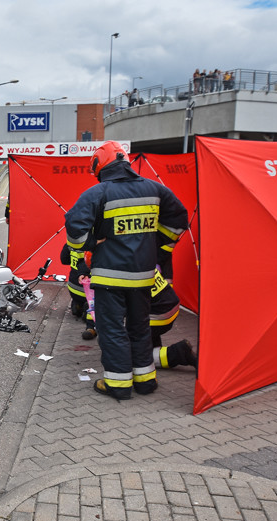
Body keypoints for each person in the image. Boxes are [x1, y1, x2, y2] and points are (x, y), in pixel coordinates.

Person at [65, 141, 188, 400]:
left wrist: (89, 243)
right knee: (140, 328)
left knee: (112, 330)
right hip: (143, 276)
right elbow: (179, 218)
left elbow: (75, 226)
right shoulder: (155, 189)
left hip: (110, 277)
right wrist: (159, 247)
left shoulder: (98, 193)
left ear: (100, 166)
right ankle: (145, 381)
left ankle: (118, 384)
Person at [60, 244, 96, 340]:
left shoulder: (71, 242)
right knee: (95, 302)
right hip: (90, 291)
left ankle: (77, 304)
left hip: (73, 287)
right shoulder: (97, 242)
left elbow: (64, 260)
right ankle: (91, 326)